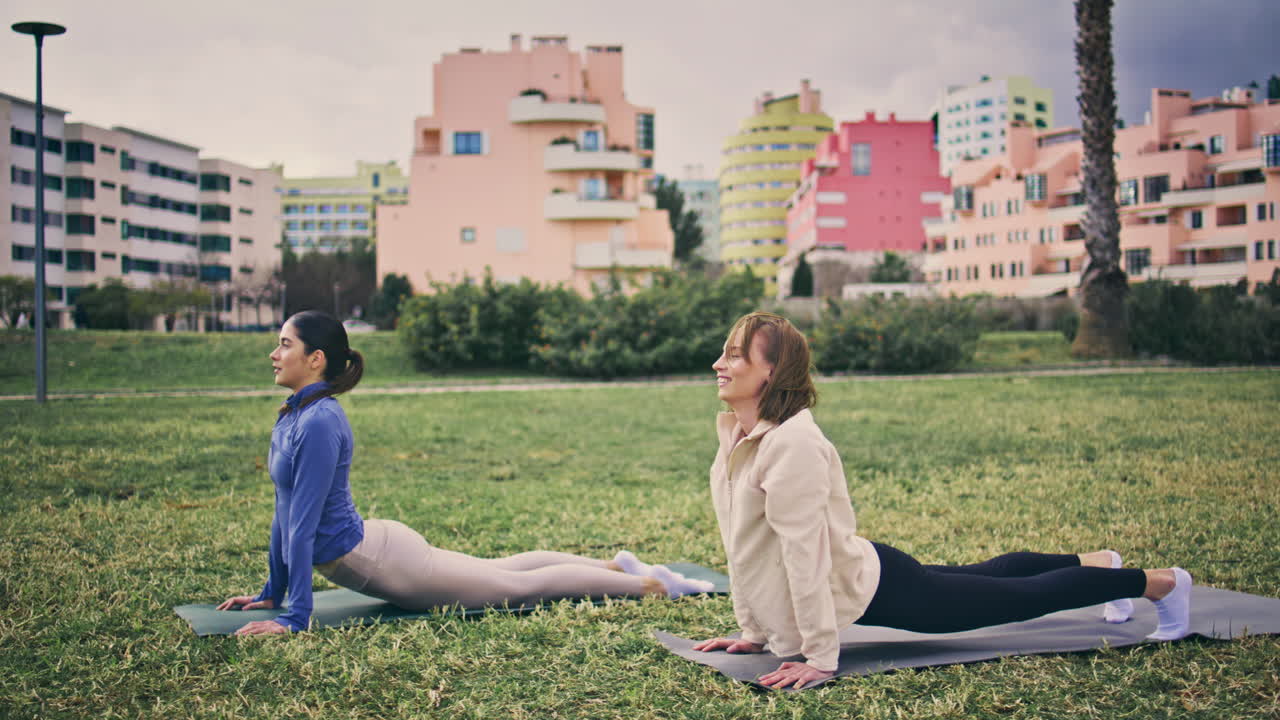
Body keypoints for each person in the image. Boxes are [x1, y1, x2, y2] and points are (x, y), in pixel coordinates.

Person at [692, 312, 1193, 690]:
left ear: (772, 371)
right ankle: (1100, 564)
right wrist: (753, 631)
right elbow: (745, 546)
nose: (719, 364)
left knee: (1018, 597)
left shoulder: (791, 443)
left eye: (734, 355)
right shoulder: (737, 435)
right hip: (869, 568)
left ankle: (1161, 585)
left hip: (876, 587)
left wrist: (821, 657)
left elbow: (804, 553)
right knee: (992, 572)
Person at [217, 310, 711, 635]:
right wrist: (272, 594)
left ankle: (656, 585)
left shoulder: (321, 421)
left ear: (315, 359)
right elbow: (284, 514)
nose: (274, 353)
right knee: (500, 569)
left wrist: (295, 618)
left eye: (284, 344)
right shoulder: (295, 414)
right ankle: (616, 566)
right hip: (378, 547)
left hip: (385, 563)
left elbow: (303, 526)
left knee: (514, 590)